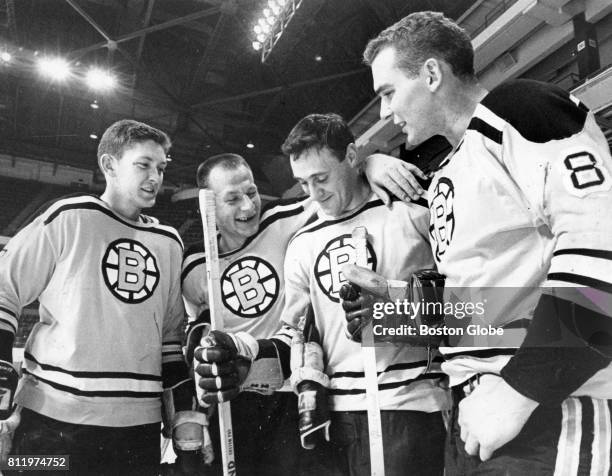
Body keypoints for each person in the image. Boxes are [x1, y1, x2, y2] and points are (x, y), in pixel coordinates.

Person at [342, 10, 612, 475]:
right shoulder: (453, 168)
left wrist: (520, 390)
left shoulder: (521, 108)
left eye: (388, 93)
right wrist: (394, 312)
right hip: (477, 415)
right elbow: (487, 307)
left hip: (547, 410)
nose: (384, 113)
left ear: (431, 74)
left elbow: (602, 247)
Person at [193, 113, 449, 476]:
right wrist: (244, 354)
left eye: (322, 178)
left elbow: (481, 312)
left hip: (410, 409)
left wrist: (399, 311)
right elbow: (293, 337)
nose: (314, 194)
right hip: (332, 423)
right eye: (303, 183)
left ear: (349, 155)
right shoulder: (303, 242)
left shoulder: (413, 212)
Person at [0, 120, 206, 475]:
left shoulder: (170, 242)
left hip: (137, 431)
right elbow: (5, 290)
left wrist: (183, 414)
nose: (155, 176)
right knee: (28, 471)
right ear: (109, 165)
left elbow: (170, 340)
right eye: (143, 164)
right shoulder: (69, 217)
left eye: (161, 167)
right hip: (49, 424)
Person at [182, 153, 322, 476]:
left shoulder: (286, 218)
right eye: (232, 199)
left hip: (286, 392)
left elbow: (338, 186)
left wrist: (373, 165)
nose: (248, 206)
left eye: (252, 192)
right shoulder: (193, 265)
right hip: (234, 400)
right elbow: (196, 331)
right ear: (209, 207)